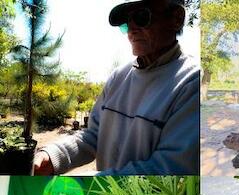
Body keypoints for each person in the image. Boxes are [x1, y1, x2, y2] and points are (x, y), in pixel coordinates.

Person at [34, 0, 199, 175]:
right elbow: (92, 136)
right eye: (127, 23)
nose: (131, 30)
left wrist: (90, 183)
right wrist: (52, 156)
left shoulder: (191, 82)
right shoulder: (117, 77)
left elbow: (169, 168)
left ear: (176, 19)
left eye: (142, 17)